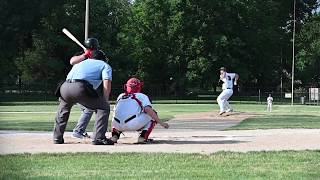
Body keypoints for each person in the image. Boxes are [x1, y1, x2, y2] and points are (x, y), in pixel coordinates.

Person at [53, 50, 114, 145]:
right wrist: (105, 100)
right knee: (103, 107)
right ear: (102, 58)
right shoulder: (104, 65)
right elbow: (107, 82)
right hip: (80, 87)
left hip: (64, 86)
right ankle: (99, 138)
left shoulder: (80, 63)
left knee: (63, 110)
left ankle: (57, 138)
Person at [110, 78, 169, 144]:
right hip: (133, 124)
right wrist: (161, 123)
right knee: (153, 113)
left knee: (117, 115)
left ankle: (114, 136)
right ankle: (143, 137)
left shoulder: (120, 96)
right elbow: (148, 109)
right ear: (139, 87)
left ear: (126, 86)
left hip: (117, 125)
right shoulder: (142, 96)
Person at [69, 38, 100, 139]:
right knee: (90, 108)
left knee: (88, 108)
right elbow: (72, 61)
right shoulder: (81, 54)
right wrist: (85, 55)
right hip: (78, 86)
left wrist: (92, 56)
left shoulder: (97, 54)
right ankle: (78, 131)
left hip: (82, 87)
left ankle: (80, 130)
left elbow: (103, 62)